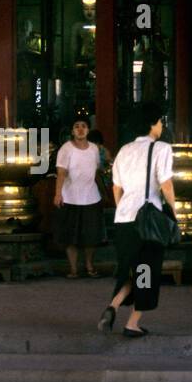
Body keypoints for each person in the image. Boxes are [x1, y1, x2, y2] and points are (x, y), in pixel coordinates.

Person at [97, 101, 177, 338]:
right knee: (146, 271)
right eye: (160, 121)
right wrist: (174, 210)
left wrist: (124, 207)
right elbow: (166, 184)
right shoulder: (161, 148)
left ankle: (112, 306)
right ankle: (132, 322)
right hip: (147, 220)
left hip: (123, 219)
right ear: (152, 124)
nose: (162, 126)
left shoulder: (124, 150)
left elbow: (116, 188)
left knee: (130, 269)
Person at [54, 118, 105, 278]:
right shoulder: (66, 149)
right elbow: (61, 173)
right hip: (70, 197)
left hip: (91, 197)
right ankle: (74, 269)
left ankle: (89, 266)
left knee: (91, 236)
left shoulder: (94, 149)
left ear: (88, 130)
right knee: (71, 236)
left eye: (83, 126)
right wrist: (58, 193)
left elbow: (96, 171)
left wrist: (104, 192)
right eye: (76, 126)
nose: (80, 129)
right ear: (72, 131)